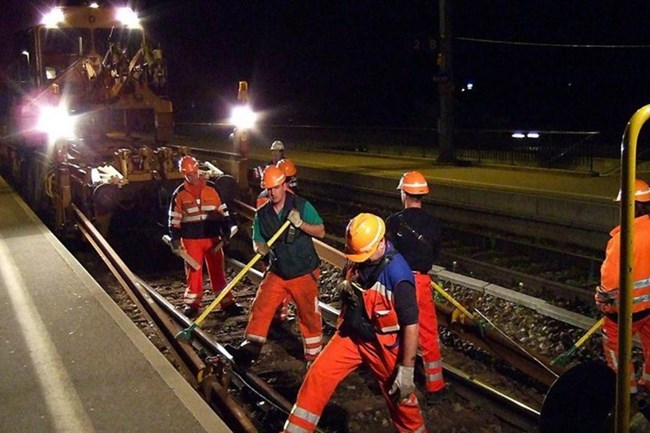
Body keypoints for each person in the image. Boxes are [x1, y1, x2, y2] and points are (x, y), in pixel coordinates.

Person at [283, 213, 427, 433]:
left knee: (402, 400)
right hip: (351, 335)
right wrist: (344, 284)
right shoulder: (358, 253)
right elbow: (348, 272)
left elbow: (411, 324)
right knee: (318, 376)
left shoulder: (399, 276)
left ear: (381, 242)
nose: (360, 260)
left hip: (382, 345)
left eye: (364, 255)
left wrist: (406, 369)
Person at [230, 165, 325, 366]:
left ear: (284, 185)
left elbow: (320, 231)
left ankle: (314, 357)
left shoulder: (301, 206)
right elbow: (257, 238)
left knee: (309, 315)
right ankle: (250, 347)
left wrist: (301, 225)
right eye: (269, 188)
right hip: (279, 271)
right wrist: (259, 248)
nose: (272, 192)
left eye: (276, 187)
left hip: (303, 271)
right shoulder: (262, 213)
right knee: (262, 304)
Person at [386, 171, 447, 403]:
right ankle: (435, 386)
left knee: (397, 329)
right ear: (422, 195)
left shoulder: (394, 221)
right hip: (421, 282)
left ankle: (393, 376)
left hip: (398, 281)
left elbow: (387, 252)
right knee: (428, 333)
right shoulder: (434, 223)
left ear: (404, 193)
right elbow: (435, 253)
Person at [168, 155, 243, 318]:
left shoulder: (212, 188)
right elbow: (174, 218)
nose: (193, 176)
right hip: (190, 239)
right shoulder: (179, 194)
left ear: (198, 170)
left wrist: (226, 229)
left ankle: (227, 302)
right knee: (194, 271)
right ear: (184, 174)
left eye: (194, 172)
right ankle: (192, 304)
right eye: (189, 174)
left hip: (212, 237)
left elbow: (224, 211)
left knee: (218, 270)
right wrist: (174, 237)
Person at [596, 178, 650, 395]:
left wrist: (603, 303)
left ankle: (627, 397)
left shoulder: (621, 240)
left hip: (625, 313)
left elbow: (609, 287)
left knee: (617, 350)